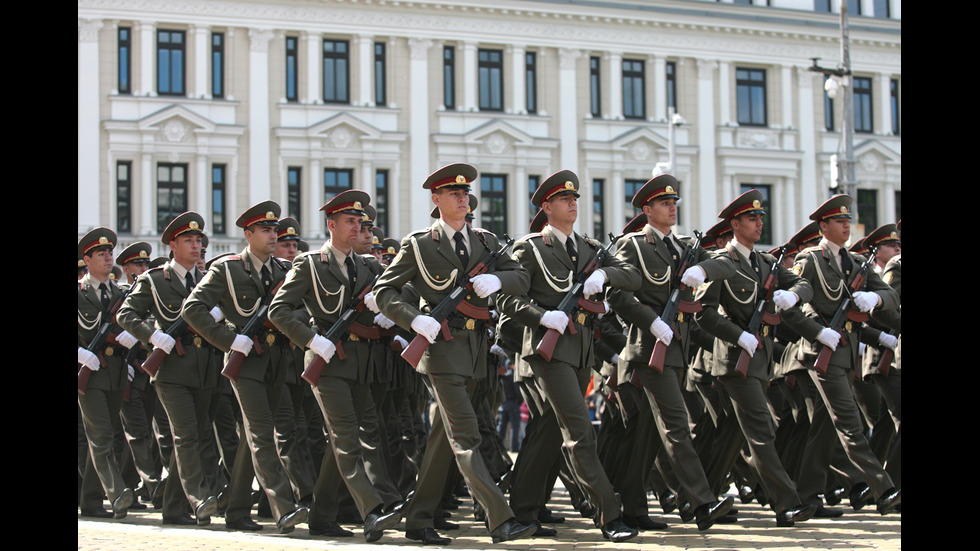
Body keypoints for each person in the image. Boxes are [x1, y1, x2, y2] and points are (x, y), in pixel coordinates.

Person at [374, 163, 536, 545]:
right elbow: (384, 292)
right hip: (441, 352)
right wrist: (414, 320)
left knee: (442, 439)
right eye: (453, 194)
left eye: (465, 193)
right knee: (466, 435)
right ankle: (500, 519)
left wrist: (498, 279)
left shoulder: (485, 241)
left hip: (477, 352)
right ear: (436, 199)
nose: (462, 198)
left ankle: (418, 519)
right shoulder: (419, 244)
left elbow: (522, 278)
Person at [496, 169, 642, 542]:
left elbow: (632, 276)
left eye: (576, 199)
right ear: (547, 206)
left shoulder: (591, 249)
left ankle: (523, 510)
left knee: (547, 431)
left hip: (581, 350)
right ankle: (608, 516)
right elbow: (506, 297)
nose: (573, 204)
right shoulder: (530, 248)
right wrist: (541, 315)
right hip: (547, 350)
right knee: (579, 432)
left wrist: (605, 277)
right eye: (565, 199)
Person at [269, 190, 404, 541]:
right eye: (349, 221)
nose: (357, 227)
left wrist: (387, 312)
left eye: (359, 222)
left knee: (338, 443)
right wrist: (311, 339)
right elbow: (279, 310)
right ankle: (372, 510)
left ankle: (321, 516)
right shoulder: (311, 264)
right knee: (347, 440)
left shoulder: (369, 266)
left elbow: (393, 297)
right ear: (331, 225)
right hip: (327, 364)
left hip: (361, 365)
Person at [605, 174, 736, 531]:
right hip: (648, 348)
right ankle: (701, 502)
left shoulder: (683, 248)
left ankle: (633, 508)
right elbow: (616, 293)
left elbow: (727, 264)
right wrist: (650, 321)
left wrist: (701, 268)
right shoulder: (633, 245)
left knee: (648, 432)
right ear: (647, 209)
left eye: (674, 202)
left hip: (676, 349)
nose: (672, 207)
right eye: (665, 203)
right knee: (677, 425)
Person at [181, 201, 310, 534]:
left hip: (278, 361)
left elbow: (299, 310)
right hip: (246, 362)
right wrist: (228, 339)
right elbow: (192, 309)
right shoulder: (228, 269)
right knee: (262, 433)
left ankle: (236, 509)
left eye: (274, 230)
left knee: (255, 437)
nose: (273, 235)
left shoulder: (284, 271)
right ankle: (284, 507)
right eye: (266, 230)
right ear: (248, 233)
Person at [695, 190, 819, 527]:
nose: (759, 223)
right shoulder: (723, 262)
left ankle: (698, 500)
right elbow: (703, 315)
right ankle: (787, 504)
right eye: (752, 218)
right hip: (735, 361)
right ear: (734, 224)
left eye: (761, 217)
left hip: (761, 360)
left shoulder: (766, 263)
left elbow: (806, 284)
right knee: (763, 430)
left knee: (735, 434)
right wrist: (739, 335)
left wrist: (792, 294)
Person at [781, 197, 902, 516]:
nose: (847, 226)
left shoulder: (856, 262)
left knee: (822, 428)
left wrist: (874, 297)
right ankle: (885, 488)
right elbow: (797, 300)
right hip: (822, 352)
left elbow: (891, 296)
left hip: (847, 354)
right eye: (839, 221)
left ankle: (807, 496)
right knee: (850, 424)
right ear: (823, 226)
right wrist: (818, 330)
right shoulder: (810, 259)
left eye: (849, 220)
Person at [117, 213, 223, 526]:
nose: (196, 245)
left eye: (199, 240)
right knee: (186, 434)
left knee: (197, 435)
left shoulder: (207, 281)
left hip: (205, 367)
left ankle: (174, 507)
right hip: (172, 369)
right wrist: (152, 335)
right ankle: (198, 495)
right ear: (173, 245)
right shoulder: (153, 280)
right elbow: (126, 315)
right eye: (189, 240)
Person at [77, 227, 137, 520]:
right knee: (99, 435)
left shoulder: (121, 294)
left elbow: (139, 319)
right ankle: (117, 493)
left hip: (115, 372)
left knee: (105, 436)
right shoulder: (79, 292)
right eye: (100, 253)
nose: (108, 257)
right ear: (86, 259)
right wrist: (80, 353)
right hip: (87, 372)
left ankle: (90, 501)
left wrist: (133, 337)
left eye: (109, 252)